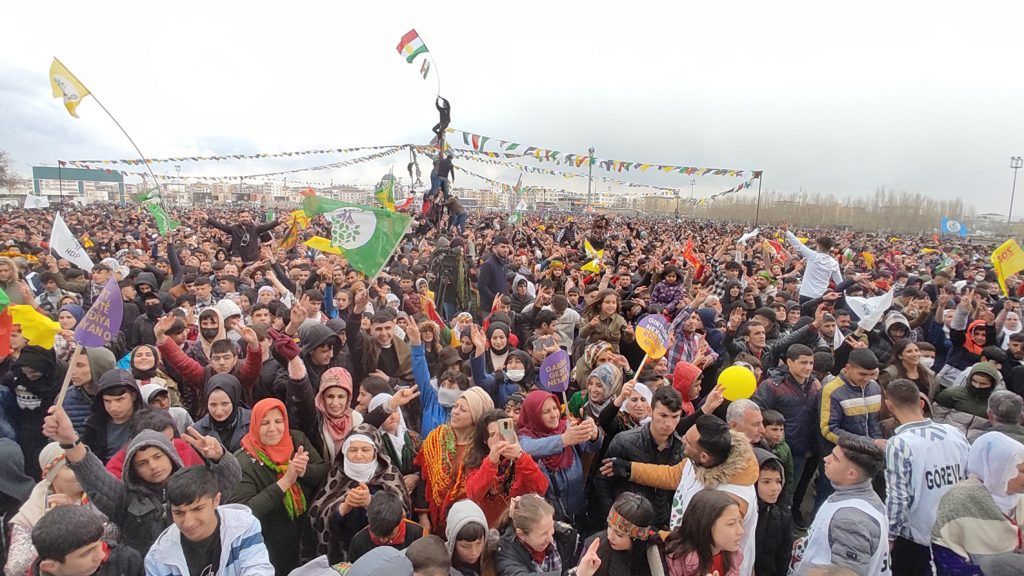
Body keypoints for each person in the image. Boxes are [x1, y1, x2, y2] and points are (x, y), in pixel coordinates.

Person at [42, 407, 242, 555]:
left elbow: (230, 480)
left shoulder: (193, 485)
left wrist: (219, 457)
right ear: (133, 468)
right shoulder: (125, 498)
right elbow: (94, 477)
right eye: (143, 463)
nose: (153, 466)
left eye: (158, 457)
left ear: (170, 455)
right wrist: (69, 440)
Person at [604, 415, 759, 576]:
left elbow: (702, 536)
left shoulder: (731, 496)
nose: (682, 439)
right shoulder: (700, 462)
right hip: (684, 557)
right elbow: (672, 475)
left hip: (714, 567)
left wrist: (653, 535)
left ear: (704, 456)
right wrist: (631, 469)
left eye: (689, 442)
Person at [231, 396, 328, 573]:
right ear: (254, 425)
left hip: (305, 535)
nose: (273, 429)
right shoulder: (243, 461)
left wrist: (303, 471)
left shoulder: (296, 440)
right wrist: (285, 482)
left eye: (278, 421)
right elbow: (245, 511)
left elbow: (323, 472)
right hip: (270, 542)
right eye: (265, 423)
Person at [883, 378, 969, 576]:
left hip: (917, 536)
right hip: (954, 528)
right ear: (921, 403)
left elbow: (898, 497)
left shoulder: (900, 443)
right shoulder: (954, 432)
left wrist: (889, 536)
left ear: (889, 405)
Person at [4, 443, 117, 576]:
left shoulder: (103, 494)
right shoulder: (32, 510)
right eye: (70, 467)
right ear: (52, 473)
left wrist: (76, 514)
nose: (80, 472)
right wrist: (52, 530)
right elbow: (14, 569)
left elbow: (120, 533)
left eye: (80, 464)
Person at [309, 424, 412, 564]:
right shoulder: (336, 475)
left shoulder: (390, 474)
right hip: (344, 551)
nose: (359, 455)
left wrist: (371, 502)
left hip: (381, 549)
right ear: (345, 452)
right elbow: (316, 515)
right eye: (353, 450)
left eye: (365, 450)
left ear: (375, 451)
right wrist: (342, 508)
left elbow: (403, 513)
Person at [145, 465, 274, 576]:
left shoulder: (242, 526)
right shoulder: (158, 557)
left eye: (197, 509)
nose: (188, 522)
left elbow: (258, 569)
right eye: (178, 513)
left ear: (216, 501)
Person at [790, 436, 890, 576]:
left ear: (851, 474)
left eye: (835, 458)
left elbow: (846, 572)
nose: (826, 459)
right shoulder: (859, 497)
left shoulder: (850, 521)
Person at [931, 432, 1024, 572]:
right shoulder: (958, 501)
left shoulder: (1020, 498)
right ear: (999, 469)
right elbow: (945, 556)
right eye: (1022, 470)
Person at [595, 386, 684, 530]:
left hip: (662, 523)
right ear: (651, 411)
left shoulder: (682, 449)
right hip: (627, 521)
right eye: (663, 415)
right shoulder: (624, 441)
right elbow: (602, 482)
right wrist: (611, 518)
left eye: (675, 417)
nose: (668, 423)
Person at [415, 387, 494, 536]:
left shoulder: (484, 448)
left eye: (463, 410)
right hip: (436, 524)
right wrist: (423, 517)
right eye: (455, 406)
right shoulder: (436, 439)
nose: (455, 412)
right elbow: (424, 480)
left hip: (470, 524)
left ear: (476, 416)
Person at [517, 389, 602, 522]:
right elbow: (527, 449)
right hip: (549, 516)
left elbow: (591, 447)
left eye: (555, 408)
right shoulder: (524, 437)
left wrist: (594, 434)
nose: (554, 414)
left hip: (578, 509)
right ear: (533, 415)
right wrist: (562, 440)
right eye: (546, 412)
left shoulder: (566, 427)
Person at [816, 348, 884, 509]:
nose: (867, 379)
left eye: (872, 374)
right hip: (841, 457)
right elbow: (828, 429)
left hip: (869, 457)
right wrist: (869, 442)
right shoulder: (832, 390)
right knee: (829, 499)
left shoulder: (874, 387)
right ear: (847, 368)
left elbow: (875, 422)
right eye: (862, 374)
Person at [464, 409, 549, 528]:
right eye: (493, 435)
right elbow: (473, 495)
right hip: (489, 528)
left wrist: (520, 457)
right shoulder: (477, 461)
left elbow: (541, 488)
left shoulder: (521, 457)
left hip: (518, 527)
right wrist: (491, 462)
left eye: (503, 432)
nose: (500, 439)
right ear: (484, 441)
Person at [29, 504, 143, 576]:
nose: (101, 555)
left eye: (98, 544)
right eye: (86, 553)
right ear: (50, 567)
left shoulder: (126, 561)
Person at [663, 489, 745, 576]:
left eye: (739, 522)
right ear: (708, 525)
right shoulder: (679, 558)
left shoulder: (734, 557)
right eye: (731, 523)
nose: (740, 531)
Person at [580, 492, 665, 576]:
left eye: (619, 534)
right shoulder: (594, 548)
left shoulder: (653, 553)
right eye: (609, 526)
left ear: (637, 538)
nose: (610, 536)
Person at [493, 494, 579, 576]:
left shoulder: (563, 536)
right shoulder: (505, 553)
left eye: (552, 527)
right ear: (521, 535)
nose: (550, 538)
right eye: (544, 534)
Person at [81, 369, 144, 463]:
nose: (113, 407)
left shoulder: (147, 422)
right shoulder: (93, 425)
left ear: (133, 396)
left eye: (120, 399)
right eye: (107, 401)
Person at [346, 491, 423, 563]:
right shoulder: (358, 542)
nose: (383, 540)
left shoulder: (417, 534)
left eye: (389, 534)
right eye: (377, 535)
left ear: (402, 517)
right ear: (367, 516)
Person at [753, 449, 793, 576]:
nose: (775, 488)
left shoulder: (783, 515)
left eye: (778, 481)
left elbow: (784, 554)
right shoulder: (742, 514)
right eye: (766, 482)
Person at [62, 347, 117, 434]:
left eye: (80, 365)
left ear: (99, 366)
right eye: (71, 364)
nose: (72, 371)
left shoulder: (121, 395)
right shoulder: (65, 398)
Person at [191, 374, 251, 453]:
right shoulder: (198, 430)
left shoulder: (253, 421)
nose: (218, 411)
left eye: (224, 404)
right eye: (213, 405)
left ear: (234, 400)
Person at [783, 225, 842, 302]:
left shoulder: (812, 255)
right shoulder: (834, 263)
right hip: (821, 297)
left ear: (818, 245)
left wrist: (787, 231)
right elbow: (839, 282)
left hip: (806, 294)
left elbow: (798, 245)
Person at [445, 499, 496, 576]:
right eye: (465, 546)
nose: (474, 552)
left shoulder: (496, 555)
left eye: (479, 543)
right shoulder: (441, 568)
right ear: (453, 542)